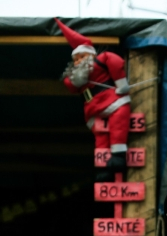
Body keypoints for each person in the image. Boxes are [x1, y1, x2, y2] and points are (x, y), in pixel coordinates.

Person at [55, 18, 131, 181]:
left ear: (89, 54)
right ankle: (103, 168)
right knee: (101, 138)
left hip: (112, 102)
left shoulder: (101, 60)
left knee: (118, 123)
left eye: (81, 57)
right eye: (75, 59)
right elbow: (70, 84)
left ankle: (118, 156)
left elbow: (115, 62)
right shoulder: (78, 77)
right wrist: (73, 76)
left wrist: (121, 84)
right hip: (93, 110)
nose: (78, 61)